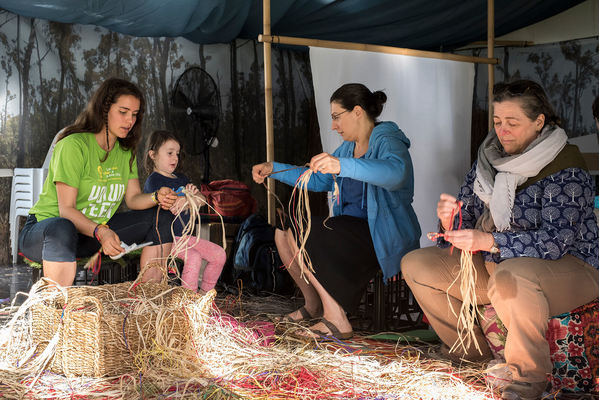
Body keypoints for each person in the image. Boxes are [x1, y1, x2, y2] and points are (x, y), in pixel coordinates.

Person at [401, 80, 599, 400]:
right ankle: (470, 353)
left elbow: (555, 242)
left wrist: (489, 241)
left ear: (539, 122)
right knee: (416, 263)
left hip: (572, 268)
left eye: (512, 122)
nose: (502, 130)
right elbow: (468, 215)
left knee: (512, 275)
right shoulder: (489, 160)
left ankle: (529, 377)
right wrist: (450, 220)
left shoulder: (566, 168)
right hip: (500, 263)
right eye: (497, 122)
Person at [252, 83, 421, 339]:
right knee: (282, 233)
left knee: (304, 230)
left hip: (382, 235)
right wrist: (273, 168)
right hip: (350, 230)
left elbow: (396, 174)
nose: (333, 126)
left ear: (357, 112)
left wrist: (341, 165)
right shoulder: (346, 149)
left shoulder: (388, 140)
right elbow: (320, 181)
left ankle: (337, 319)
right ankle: (314, 306)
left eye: (336, 117)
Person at [19, 77, 178, 287]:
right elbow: (66, 210)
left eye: (134, 114)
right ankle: (58, 311)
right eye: (123, 112)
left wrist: (156, 197)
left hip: (91, 235)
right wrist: (101, 231)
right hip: (46, 233)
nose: (129, 120)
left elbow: (132, 199)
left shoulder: (125, 151)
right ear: (104, 109)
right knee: (62, 227)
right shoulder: (73, 145)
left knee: (161, 217)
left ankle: (149, 299)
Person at [143, 130, 226, 294]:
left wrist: (193, 196)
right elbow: (168, 206)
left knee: (219, 254)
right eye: (170, 153)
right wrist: (186, 201)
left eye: (177, 154)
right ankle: (187, 304)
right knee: (194, 258)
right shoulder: (154, 181)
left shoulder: (181, 179)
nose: (175, 158)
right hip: (168, 239)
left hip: (187, 237)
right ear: (153, 155)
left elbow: (201, 200)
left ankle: (204, 298)